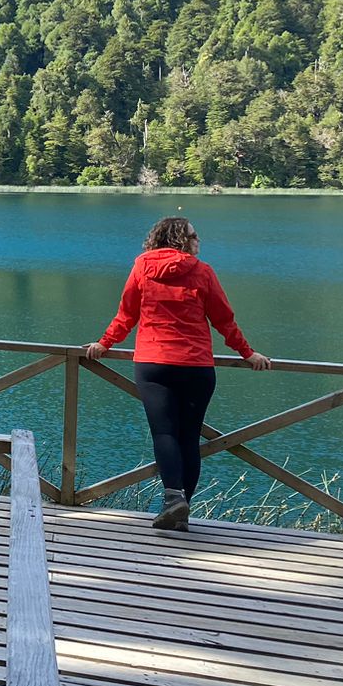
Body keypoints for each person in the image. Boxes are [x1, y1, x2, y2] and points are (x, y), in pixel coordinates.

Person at [84, 216, 271, 531]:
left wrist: (105, 343)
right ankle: (181, 509)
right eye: (194, 235)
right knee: (188, 438)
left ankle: (174, 501)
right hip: (196, 367)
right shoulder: (203, 272)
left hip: (154, 364)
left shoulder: (142, 267)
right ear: (182, 240)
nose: (199, 240)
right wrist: (247, 353)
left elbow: (127, 314)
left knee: (165, 434)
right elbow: (224, 320)